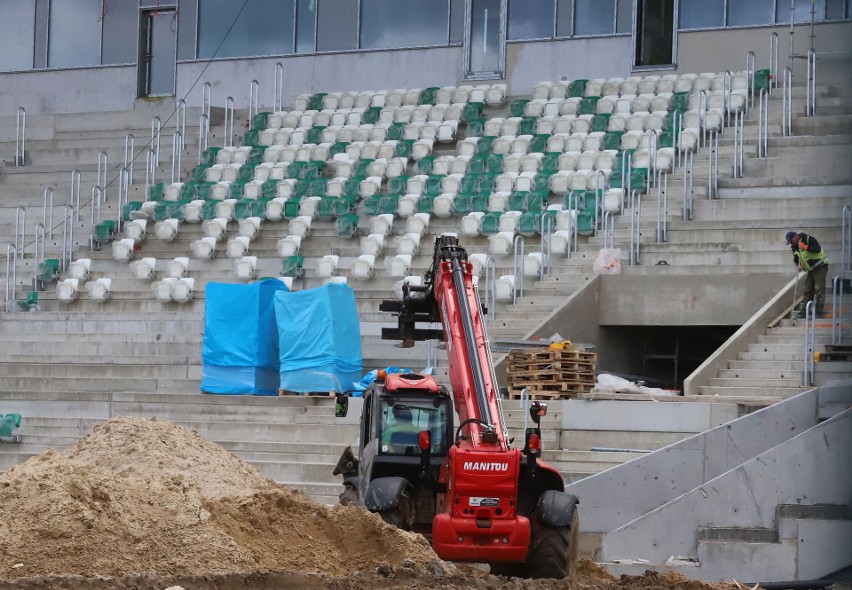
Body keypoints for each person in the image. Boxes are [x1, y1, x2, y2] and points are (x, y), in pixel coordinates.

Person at [786, 230, 829, 318]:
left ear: (795, 237)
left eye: (791, 241)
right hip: (811, 269)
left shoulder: (808, 239)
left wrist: (806, 247)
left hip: (820, 266)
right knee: (807, 290)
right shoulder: (795, 247)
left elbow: (817, 249)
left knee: (819, 288)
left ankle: (819, 311)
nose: (791, 243)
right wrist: (799, 265)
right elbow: (796, 258)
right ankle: (803, 312)